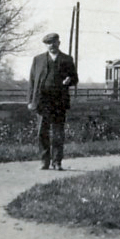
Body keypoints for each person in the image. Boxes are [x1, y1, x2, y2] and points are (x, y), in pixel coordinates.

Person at [28, 32, 78, 170]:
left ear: (59, 43)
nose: (51, 46)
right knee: (42, 132)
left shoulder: (67, 59)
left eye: (54, 43)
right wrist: (30, 101)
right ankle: (44, 161)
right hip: (42, 101)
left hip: (59, 102)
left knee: (58, 132)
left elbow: (75, 78)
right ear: (46, 45)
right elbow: (32, 81)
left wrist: (70, 80)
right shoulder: (38, 60)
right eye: (49, 43)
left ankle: (57, 162)